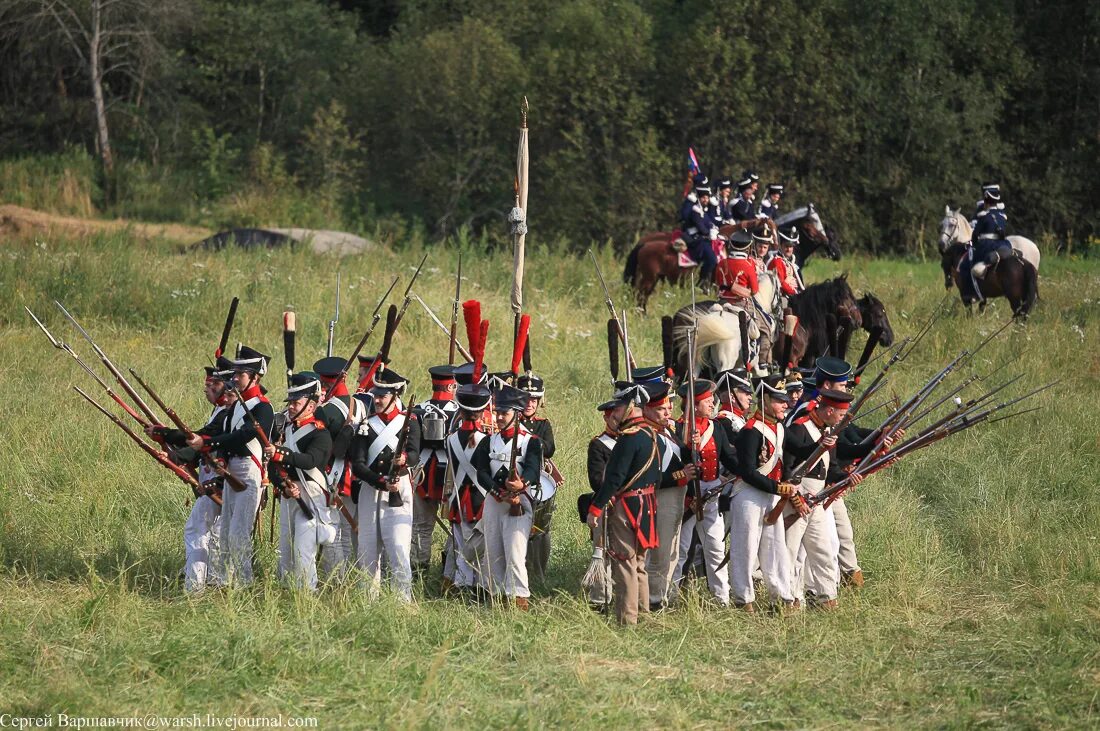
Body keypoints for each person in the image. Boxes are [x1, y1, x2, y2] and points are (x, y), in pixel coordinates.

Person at [186, 345, 273, 587]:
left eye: (241, 374)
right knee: (224, 535)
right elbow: (227, 437)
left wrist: (207, 441)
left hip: (248, 472)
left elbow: (243, 435)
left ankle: (244, 584)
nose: (234, 378)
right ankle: (224, 583)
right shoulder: (236, 406)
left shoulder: (263, 407)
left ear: (255, 377)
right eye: (234, 373)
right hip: (231, 470)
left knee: (238, 535)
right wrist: (220, 458)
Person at [149, 358, 235, 593]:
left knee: (197, 529)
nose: (207, 389)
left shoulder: (228, 413)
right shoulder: (223, 411)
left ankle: (195, 585)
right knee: (216, 532)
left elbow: (203, 438)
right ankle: (215, 580)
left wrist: (168, 438)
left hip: (223, 478)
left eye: (214, 384)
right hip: (217, 477)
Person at [586, 381, 665, 625]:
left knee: (625, 562)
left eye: (618, 407)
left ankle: (626, 619)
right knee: (639, 564)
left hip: (627, 507)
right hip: (648, 504)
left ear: (631, 406)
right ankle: (642, 613)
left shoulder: (628, 438)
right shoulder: (652, 435)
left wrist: (595, 508)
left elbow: (613, 479)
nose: (615, 413)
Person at [782, 389, 863, 609]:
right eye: (840, 414)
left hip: (816, 499)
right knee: (791, 552)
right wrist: (794, 496)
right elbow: (786, 469)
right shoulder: (799, 429)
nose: (841, 419)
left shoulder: (828, 432)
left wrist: (848, 477)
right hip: (797, 498)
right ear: (829, 410)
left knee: (824, 549)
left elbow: (832, 470)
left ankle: (827, 598)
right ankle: (789, 599)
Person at [728, 374, 801, 611]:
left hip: (770, 495)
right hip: (749, 494)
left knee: (775, 548)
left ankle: (781, 597)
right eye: (780, 400)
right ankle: (743, 599)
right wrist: (777, 488)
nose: (786, 404)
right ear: (765, 399)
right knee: (745, 549)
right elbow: (747, 472)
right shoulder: (751, 430)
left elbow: (802, 448)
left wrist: (827, 441)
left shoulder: (779, 427)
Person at [349, 367, 421, 601]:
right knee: (367, 551)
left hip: (399, 488)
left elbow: (414, 454)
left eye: (382, 396)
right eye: (376, 395)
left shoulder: (409, 422)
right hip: (373, 489)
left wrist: (404, 460)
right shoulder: (366, 424)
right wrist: (380, 481)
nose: (377, 400)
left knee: (399, 549)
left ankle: (402, 602)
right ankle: (367, 601)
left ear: (395, 396)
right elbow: (357, 464)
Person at [472, 384, 543, 609]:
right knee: (492, 550)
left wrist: (521, 485)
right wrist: (498, 491)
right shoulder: (488, 441)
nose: (500, 417)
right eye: (498, 412)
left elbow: (532, 468)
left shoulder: (531, 441)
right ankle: (495, 595)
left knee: (515, 551)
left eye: (505, 413)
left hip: (518, 503)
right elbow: (481, 471)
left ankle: (518, 597)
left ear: (517, 414)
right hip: (495, 501)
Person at [672, 380, 740, 606]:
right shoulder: (678, 429)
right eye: (707, 401)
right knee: (680, 551)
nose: (712, 404)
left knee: (716, 549)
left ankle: (722, 599)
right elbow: (679, 464)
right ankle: (669, 596)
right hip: (687, 496)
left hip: (712, 495)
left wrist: (747, 470)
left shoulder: (716, 427)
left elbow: (729, 457)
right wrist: (691, 448)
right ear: (694, 404)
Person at [266, 372, 335, 592]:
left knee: (303, 550)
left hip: (311, 493)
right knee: (286, 549)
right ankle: (286, 591)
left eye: (297, 403)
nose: (292, 407)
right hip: (290, 495)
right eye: (291, 403)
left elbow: (311, 461)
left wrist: (281, 453)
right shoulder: (286, 430)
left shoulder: (320, 433)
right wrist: (282, 485)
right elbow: (272, 467)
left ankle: (307, 592)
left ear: (311, 406)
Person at [313, 355, 365, 579]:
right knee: (344, 533)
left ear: (324, 383)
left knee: (331, 532)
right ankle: (342, 579)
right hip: (353, 477)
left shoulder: (327, 410)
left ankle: (334, 581)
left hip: (334, 475)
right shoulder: (360, 404)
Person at [443, 382, 493, 596]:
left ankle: (462, 586)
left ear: (460, 410)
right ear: (482, 411)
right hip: (479, 501)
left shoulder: (450, 439)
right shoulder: (488, 440)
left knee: (461, 546)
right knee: (482, 550)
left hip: (458, 500)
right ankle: (480, 589)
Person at [410, 365, 459, 579]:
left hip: (422, 474)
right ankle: (449, 571)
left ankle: (419, 573)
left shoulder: (419, 409)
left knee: (420, 527)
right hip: (450, 474)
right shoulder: (459, 411)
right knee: (456, 525)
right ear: (452, 385)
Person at [582, 395, 628, 609]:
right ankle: (600, 597)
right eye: (613, 417)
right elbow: (596, 479)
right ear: (607, 418)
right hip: (608, 503)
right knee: (603, 552)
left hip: (630, 503)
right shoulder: (599, 445)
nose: (617, 421)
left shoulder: (631, 440)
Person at [518, 372, 557, 583]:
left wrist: (529, 438)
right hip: (516, 479)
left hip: (537, 481)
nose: (529, 403)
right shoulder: (509, 422)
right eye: (525, 398)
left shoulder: (542, 424)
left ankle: (538, 574)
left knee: (541, 529)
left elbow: (550, 449)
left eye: (533, 399)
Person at [964, 186, 1012, 302]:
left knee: (969, 263)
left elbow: (975, 235)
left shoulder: (983, 216)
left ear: (986, 202)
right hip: (1003, 243)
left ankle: (973, 293)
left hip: (986, 245)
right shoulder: (1002, 216)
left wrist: (971, 244)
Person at [679, 183, 720, 288]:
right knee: (712, 259)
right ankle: (701, 283)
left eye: (707, 197)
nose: (706, 200)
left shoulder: (703, 210)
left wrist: (714, 228)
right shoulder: (695, 210)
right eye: (703, 197)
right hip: (695, 239)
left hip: (702, 238)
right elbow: (700, 227)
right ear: (699, 198)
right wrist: (709, 232)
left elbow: (709, 222)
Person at [715, 237, 758, 308]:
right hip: (740, 302)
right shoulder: (748, 266)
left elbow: (717, 282)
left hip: (722, 301)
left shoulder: (721, 263)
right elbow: (754, 290)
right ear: (747, 249)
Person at [769, 228, 805, 298]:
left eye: (791, 246)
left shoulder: (793, 263)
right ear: (780, 246)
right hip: (781, 297)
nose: (789, 249)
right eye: (786, 246)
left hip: (792, 296)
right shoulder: (777, 261)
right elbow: (781, 283)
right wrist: (795, 293)